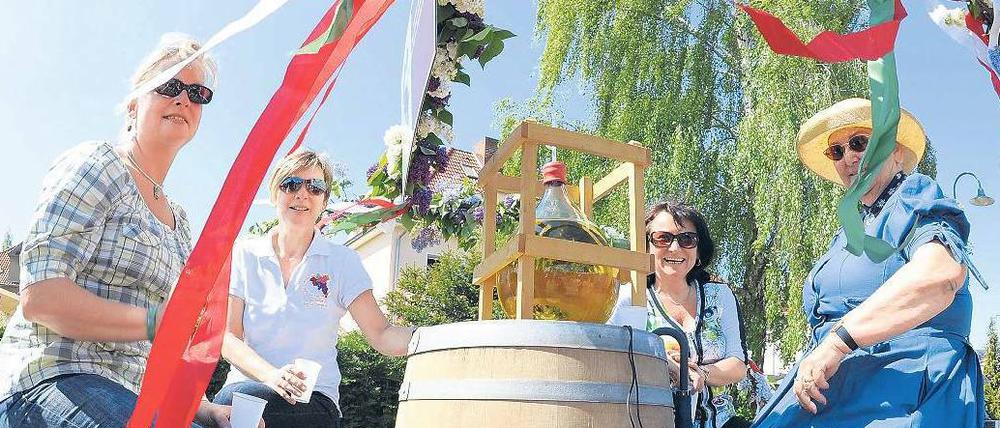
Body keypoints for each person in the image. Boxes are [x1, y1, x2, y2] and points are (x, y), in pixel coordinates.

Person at [0, 34, 261, 427]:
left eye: (197, 92)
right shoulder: (98, 163)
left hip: (136, 396)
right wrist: (157, 321)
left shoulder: (179, 222)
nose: (183, 98)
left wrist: (207, 411)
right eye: (169, 85)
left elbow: (157, 355)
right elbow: (42, 297)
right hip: (49, 380)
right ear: (134, 102)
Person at [753, 98, 985, 427]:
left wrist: (838, 341)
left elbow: (940, 276)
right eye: (836, 151)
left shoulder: (913, 197)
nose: (849, 156)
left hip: (902, 387)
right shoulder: (847, 232)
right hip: (833, 392)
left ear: (894, 150)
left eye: (860, 142)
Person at [213, 149, 415, 427]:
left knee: (240, 407)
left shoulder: (342, 262)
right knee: (231, 405)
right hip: (241, 392)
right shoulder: (245, 254)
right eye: (291, 184)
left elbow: (382, 334)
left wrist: (437, 340)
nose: (302, 194)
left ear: (324, 201)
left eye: (315, 187)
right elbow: (228, 338)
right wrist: (272, 376)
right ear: (275, 194)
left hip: (313, 401)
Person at [610, 201, 756, 428]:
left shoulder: (720, 295)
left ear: (699, 251)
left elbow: (738, 364)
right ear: (646, 247)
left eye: (687, 239)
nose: (675, 248)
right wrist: (667, 367)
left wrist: (701, 374)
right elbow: (616, 359)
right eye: (662, 238)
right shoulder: (631, 299)